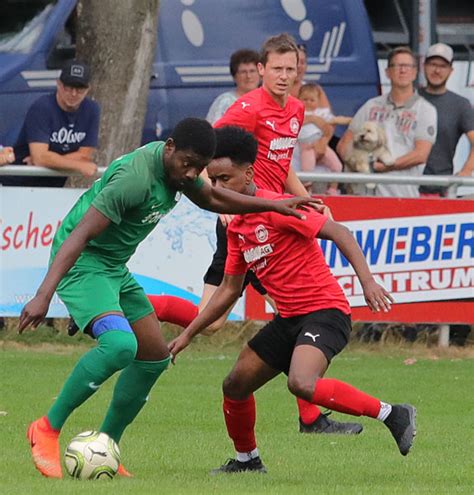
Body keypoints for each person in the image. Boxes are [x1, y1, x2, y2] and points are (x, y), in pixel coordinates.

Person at [18, 118, 316, 479]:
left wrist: (275, 205)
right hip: (84, 263)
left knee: (154, 357)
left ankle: (106, 444)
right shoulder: (134, 178)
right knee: (119, 346)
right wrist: (43, 294)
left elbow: (213, 198)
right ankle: (46, 428)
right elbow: (79, 234)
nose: (192, 173)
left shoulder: (181, 173)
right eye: (187, 163)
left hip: (113, 267)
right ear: (170, 146)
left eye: (199, 168)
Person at [168, 126, 417, 473]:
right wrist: (189, 333)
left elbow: (339, 232)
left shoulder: (279, 208)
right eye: (215, 181)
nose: (219, 188)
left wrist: (368, 282)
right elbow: (228, 289)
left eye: (226, 178)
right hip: (288, 320)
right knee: (235, 385)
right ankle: (247, 461)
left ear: (249, 173)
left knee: (301, 382)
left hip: (325, 313)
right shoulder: (235, 226)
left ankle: (393, 413)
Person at [337, 46, 437, 198]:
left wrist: (386, 166)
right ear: (387, 72)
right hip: (362, 196)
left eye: (407, 66)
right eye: (396, 65)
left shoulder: (425, 109)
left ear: (415, 72)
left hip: (402, 196)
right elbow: (344, 144)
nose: (402, 71)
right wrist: (359, 165)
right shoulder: (371, 105)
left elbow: (421, 154)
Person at [4, 59, 99, 187]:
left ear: (88, 89)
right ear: (58, 84)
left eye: (80, 89)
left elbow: (84, 155)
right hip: (20, 181)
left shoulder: (92, 110)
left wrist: (46, 160)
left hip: (54, 184)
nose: (73, 94)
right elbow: (40, 157)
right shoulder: (42, 107)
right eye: (68, 88)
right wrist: (78, 165)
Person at [419, 43, 474, 196]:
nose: (437, 70)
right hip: (402, 188)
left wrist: (466, 171)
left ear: (451, 70)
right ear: (424, 66)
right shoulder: (410, 98)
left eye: (442, 65)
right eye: (432, 64)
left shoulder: (460, 105)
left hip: (440, 190)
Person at [295, 83, 349, 194]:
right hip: (306, 147)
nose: (308, 102)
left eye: (312, 100)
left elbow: (335, 121)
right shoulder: (296, 112)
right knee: (307, 170)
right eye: (305, 99)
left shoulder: (322, 113)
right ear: (298, 99)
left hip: (320, 143)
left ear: (318, 101)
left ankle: (333, 189)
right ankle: (306, 191)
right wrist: (311, 119)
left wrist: (352, 120)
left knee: (337, 165)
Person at [206, 49, 260, 125]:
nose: (248, 76)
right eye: (243, 72)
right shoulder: (225, 102)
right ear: (234, 76)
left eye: (252, 71)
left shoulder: (270, 101)